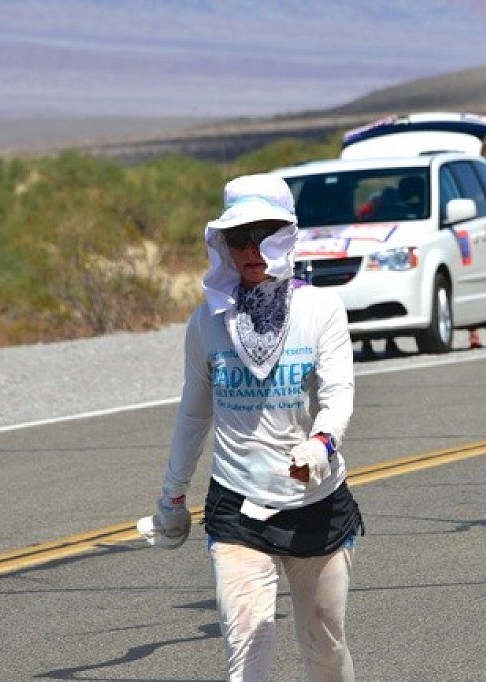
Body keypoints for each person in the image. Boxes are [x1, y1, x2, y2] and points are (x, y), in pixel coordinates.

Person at [140, 173, 363, 681]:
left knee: (325, 648)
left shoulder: (319, 309)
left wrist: (321, 444)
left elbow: (338, 394)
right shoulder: (207, 322)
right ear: (222, 245)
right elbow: (194, 412)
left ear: (288, 236)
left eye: (264, 235)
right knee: (246, 643)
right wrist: (172, 495)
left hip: (316, 503)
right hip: (237, 507)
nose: (250, 249)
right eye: (238, 238)